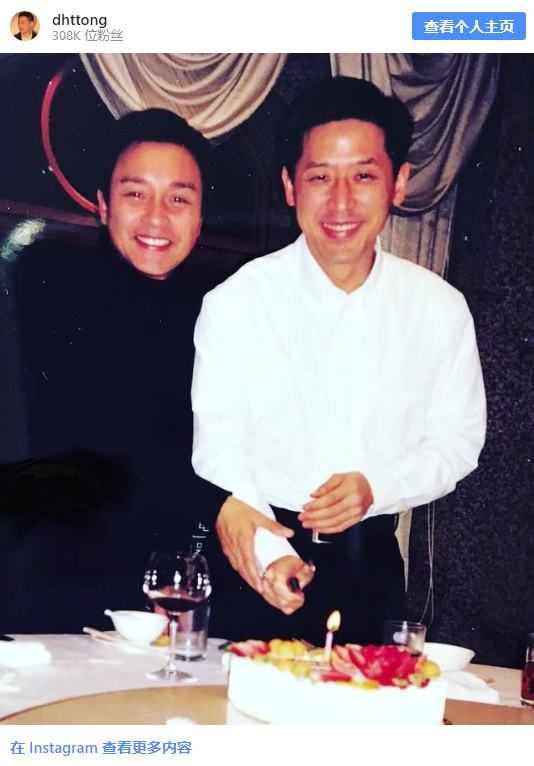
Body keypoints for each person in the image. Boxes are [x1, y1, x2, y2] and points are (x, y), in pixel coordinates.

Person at [192, 77, 487, 646]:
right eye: (320, 177)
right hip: (259, 560)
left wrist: (379, 486)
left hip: (370, 568)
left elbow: (458, 441)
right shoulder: (238, 302)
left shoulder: (440, 310)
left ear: (399, 182)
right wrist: (270, 555)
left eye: (364, 176)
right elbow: (220, 449)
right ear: (290, 186)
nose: (342, 202)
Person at [3, 109, 226, 633]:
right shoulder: (52, 295)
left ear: (200, 217)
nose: (156, 218)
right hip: (56, 588)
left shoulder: (220, 314)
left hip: (172, 590)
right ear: (103, 205)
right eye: (135, 194)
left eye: (178, 199)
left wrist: (183, 573)